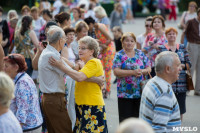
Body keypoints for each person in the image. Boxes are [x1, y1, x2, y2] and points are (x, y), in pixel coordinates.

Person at [49, 36, 108, 133]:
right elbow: (74, 69)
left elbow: (79, 77)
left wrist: (60, 66)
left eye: (83, 48)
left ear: (91, 51)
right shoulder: (85, 63)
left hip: (91, 105)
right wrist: (59, 57)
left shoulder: (94, 62)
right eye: (79, 47)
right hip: (84, 104)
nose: (80, 50)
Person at [38, 25, 72, 133]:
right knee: (64, 129)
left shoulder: (48, 52)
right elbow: (70, 72)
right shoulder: (52, 55)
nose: (65, 41)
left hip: (50, 99)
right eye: (65, 38)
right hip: (54, 99)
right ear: (61, 40)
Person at [139, 51, 182, 132]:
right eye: (178, 65)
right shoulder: (165, 93)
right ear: (168, 69)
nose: (180, 68)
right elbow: (158, 130)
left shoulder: (152, 82)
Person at [113, 32, 151, 122]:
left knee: (138, 119)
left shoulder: (140, 53)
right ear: (122, 42)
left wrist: (142, 71)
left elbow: (149, 68)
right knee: (125, 120)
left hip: (140, 91)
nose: (129, 43)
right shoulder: (119, 55)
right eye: (127, 41)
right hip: (124, 93)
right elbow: (116, 71)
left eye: (132, 41)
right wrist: (133, 72)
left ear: (134, 42)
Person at [158, 27, 191, 120]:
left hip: (181, 85)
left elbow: (189, 64)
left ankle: (178, 129)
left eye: (173, 34)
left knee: (180, 110)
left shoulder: (182, 47)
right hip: (167, 84)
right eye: (169, 34)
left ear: (176, 35)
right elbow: (159, 65)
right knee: (167, 108)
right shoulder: (161, 48)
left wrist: (182, 66)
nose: (172, 35)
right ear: (166, 36)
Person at [3, 54, 43, 132]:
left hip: (28, 129)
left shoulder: (23, 83)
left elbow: (22, 111)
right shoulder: (21, 78)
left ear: (16, 67)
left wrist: (15, 130)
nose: (4, 69)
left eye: (6, 66)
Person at [185, 8, 200, 96]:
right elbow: (185, 32)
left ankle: (198, 90)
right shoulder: (191, 22)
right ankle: (187, 88)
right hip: (193, 44)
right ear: (198, 14)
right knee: (191, 67)